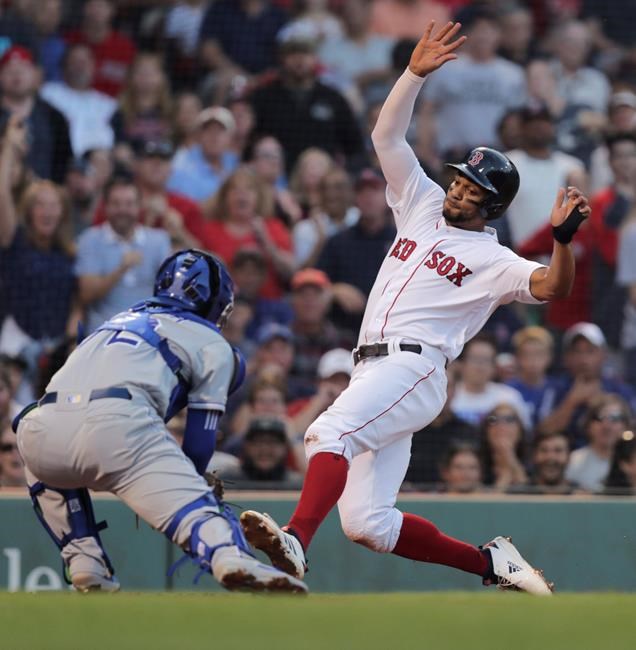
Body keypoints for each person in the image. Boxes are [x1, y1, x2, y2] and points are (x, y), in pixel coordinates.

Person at [239, 21, 590, 595]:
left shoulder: (492, 257)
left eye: (473, 189)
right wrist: (412, 75)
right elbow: (388, 139)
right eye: (459, 181)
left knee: (327, 435)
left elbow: (552, 288)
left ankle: (298, 537)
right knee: (368, 525)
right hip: (371, 367)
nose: (457, 191)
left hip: (415, 368)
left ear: (492, 205)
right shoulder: (422, 204)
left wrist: (563, 241)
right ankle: (494, 565)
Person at [12, 249, 307, 593]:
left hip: (40, 432)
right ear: (218, 304)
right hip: (118, 427)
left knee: (34, 426)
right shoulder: (213, 342)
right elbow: (198, 445)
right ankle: (228, 554)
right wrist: (182, 487)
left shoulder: (109, 324)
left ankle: (84, 561)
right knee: (199, 508)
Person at [75, 175, 172, 334]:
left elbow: (170, 292)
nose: (123, 210)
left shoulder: (159, 240)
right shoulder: (90, 239)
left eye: (129, 204)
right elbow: (86, 294)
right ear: (105, 206)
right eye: (116, 204)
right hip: (105, 332)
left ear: (139, 206)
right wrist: (121, 268)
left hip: (149, 333)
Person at [40, 43, 117, 156]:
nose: (80, 66)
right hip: (58, 162)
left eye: (85, 62)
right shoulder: (47, 94)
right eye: (74, 61)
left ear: (94, 66)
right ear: (64, 65)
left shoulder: (108, 104)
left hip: (99, 166)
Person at [565, 393, 632, 492]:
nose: (607, 426)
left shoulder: (632, 465)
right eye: (599, 418)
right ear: (588, 424)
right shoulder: (573, 461)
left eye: (615, 419)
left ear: (626, 426)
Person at [478, 404, 528, 490]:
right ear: (486, 430)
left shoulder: (535, 460)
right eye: (493, 419)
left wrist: (510, 459)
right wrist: (506, 475)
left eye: (509, 419)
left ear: (520, 430)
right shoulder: (475, 464)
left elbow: (529, 494)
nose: (501, 426)